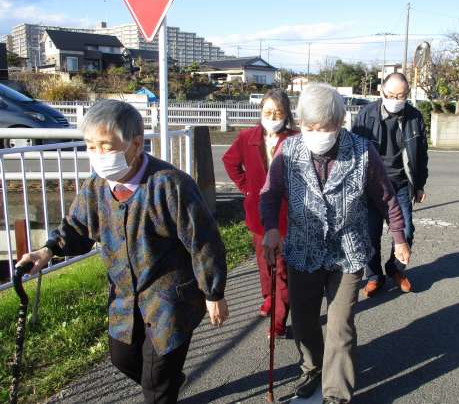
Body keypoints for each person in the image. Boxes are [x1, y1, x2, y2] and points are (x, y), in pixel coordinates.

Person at [16, 100, 229, 404]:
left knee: (156, 383)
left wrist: (213, 293)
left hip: (169, 300)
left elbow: (204, 242)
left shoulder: (170, 185)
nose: (97, 154)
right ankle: (167, 380)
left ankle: (163, 385)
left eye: (106, 146)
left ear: (136, 144)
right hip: (124, 298)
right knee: (122, 358)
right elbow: (77, 226)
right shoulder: (96, 186)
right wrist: (48, 251)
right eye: (91, 146)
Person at [260, 84, 410, 404]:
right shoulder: (288, 151)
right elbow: (269, 194)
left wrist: (399, 237)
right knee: (304, 320)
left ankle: (336, 394)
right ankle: (312, 367)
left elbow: (386, 198)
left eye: (325, 128)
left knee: (340, 326)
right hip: (303, 249)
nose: (317, 134)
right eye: (310, 127)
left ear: (341, 121)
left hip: (347, 251)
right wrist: (271, 229)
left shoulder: (362, 152)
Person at [222, 89, 297, 338]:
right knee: (264, 263)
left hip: (286, 214)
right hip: (257, 212)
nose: (273, 117)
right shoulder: (247, 137)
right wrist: (246, 187)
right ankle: (269, 298)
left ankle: (279, 321)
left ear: (286, 114)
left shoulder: (295, 138)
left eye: (278, 112)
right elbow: (230, 162)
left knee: (280, 268)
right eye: (268, 111)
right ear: (261, 111)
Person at [352, 72, 429, 297]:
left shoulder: (414, 117)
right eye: (391, 95)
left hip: (401, 183)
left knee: (406, 231)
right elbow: (353, 152)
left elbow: (421, 154)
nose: (396, 100)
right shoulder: (366, 115)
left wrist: (420, 185)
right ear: (381, 91)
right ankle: (374, 276)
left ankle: (395, 269)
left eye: (401, 96)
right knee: (370, 234)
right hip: (371, 185)